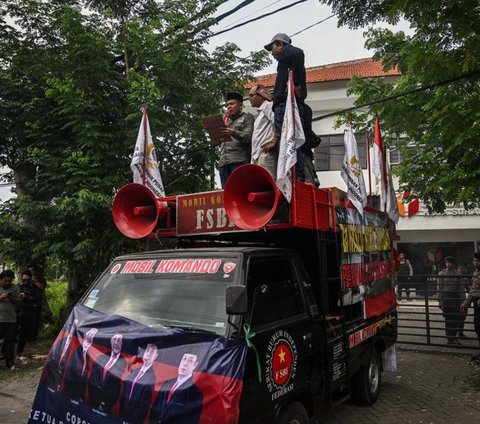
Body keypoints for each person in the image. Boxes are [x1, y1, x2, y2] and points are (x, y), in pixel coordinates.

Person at [264, 33, 307, 180]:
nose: (272, 53)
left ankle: (297, 177)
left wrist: (296, 84)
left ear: (280, 44)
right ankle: (290, 176)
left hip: (287, 105)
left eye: (273, 48)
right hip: (282, 105)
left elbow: (298, 52)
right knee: (285, 142)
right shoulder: (284, 63)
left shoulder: (291, 53)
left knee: (290, 141)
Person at [151, 352, 203, 424]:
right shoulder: (166, 384)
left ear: (195, 365)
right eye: (184, 359)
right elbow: (154, 409)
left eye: (190, 361)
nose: (185, 363)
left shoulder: (195, 394)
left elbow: (191, 421)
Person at [218, 91, 254, 188]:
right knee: (226, 195)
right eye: (227, 105)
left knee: (240, 192)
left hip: (239, 162)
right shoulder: (225, 120)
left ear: (241, 105)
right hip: (223, 162)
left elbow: (248, 137)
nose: (229, 107)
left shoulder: (247, 117)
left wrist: (233, 132)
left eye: (232, 104)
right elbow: (218, 141)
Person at [88, 333, 127, 413]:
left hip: (106, 407)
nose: (116, 343)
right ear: (111, 341)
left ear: (122, 344)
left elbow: (117, 389)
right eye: (114, 339)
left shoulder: (124, 363)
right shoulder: (102, 357)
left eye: (119, 340)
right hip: (92, 401)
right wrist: (92, 397)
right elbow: (92, 378)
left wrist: (104, 404)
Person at [121, 343, 159, 423]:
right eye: (147, 350)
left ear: (155, 356)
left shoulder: (152, 377)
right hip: (122, 413)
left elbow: (144, 405)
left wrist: (134, 419)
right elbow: (124, 391)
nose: (148, 353)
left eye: (152, 352)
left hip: (134, 419)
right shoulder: (135, 370)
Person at [248, 84, 278, 178]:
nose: (249, 98)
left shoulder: (268, 106)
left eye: (251, 95)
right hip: (258, 154)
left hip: (265, 153)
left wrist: (274, 140)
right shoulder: (261, 111)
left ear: (261, 96)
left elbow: (277, 122)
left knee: (268, 184)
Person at [62, 327, 98, 401]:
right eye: (90, 333)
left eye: (94, 335)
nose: (91, 336)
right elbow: (69, 370)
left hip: (83, 394)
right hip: (70, 389)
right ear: (84, 335)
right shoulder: (76, 349)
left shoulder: (94, 356)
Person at [438, 256, 464, 345]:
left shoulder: (458, 274)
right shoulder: (442, 274)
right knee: (448, 318)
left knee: (456, 318)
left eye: (449, 262)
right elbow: (439, 287)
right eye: (446, 262)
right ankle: (450, 338)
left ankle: (454, 336)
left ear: (453, 264)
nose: (447, 264)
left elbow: (461, 289)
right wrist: (440, 301)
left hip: (455, 297)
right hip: (446, 297)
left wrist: (462, 301)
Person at [16, 269, 41, 357]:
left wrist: (29, 297)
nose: (26, 282)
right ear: (21, 278)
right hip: (16, 312)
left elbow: (38, 299)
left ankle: (19, 350)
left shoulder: (35, 288)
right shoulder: (17, 287)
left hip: (28, 313)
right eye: (24, 280)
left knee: (24, 333)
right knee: (12, 333)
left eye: (28, 280)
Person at [461, 252, 480, 361]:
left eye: (477, 261)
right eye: (474, 260)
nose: (475, 263)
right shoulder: (476, 273)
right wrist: (465, 302)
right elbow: (473, 290)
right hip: (476, 303)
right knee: (478, 328)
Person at [0, 270, 21, 370]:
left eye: (9, 281)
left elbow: (19, 301)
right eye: (5, 281)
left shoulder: (15, 287)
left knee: (10, 341)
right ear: (1, 279)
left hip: (10, 319)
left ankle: (10, 362)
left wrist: (11, 297)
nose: (7, 283)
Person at [457, 262, 471, 339]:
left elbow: (469, 290)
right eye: (465, 268)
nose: (466, 270)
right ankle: (458, 333)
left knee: (462, 317)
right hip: (458, 300)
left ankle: (460, 333)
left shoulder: (464, 278)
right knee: (459, 317)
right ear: (461, 268)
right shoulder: (456, 276)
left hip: (463, 300)